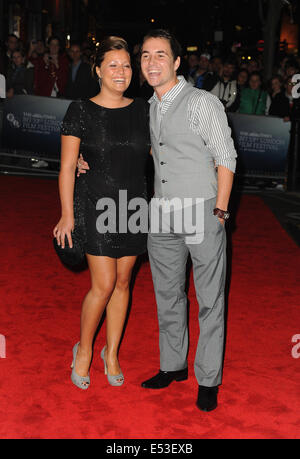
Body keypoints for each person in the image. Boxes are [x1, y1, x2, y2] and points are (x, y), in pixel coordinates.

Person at [79, 29, 237, 412]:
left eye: (160, 55)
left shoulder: (202, 102)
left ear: (177, 62)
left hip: (202, 209)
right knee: (168, 296)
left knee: (210, 300)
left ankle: (208, 378)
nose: (151, 62)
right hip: (161, 212)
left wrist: (219, 211)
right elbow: (132, 149)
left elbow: (226, 156)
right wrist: (89, 162)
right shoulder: (145, 107)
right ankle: (173, 366)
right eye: (145, 55)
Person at [53, 36, 150, 390]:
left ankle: (111, 354)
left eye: (126, 64)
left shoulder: (144, 110)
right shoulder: (81, 110)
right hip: (96, 203)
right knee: (104, 284)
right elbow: (66, 168)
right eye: (113, 64)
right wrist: (67, 214)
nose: (121, 71)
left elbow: (161, 153)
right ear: (97, 70)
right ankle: (84, 350)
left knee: (124, 282)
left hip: (135, 204)